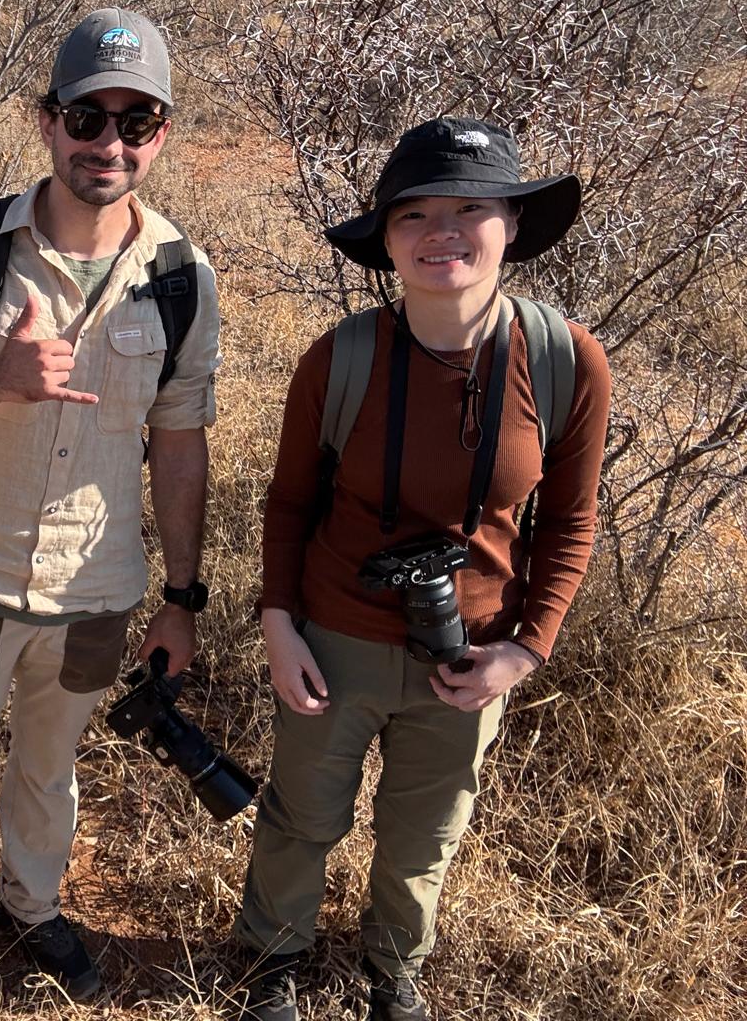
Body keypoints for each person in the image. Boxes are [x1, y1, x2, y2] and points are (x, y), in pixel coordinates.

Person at [0, 7, 222, 1017]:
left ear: (161, 132)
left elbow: (181, 445)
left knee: (50, 769)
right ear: (47, 120)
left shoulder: (182, 280)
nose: (108, 142)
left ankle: (31, 905)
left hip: (97, 586)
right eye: (87, 117)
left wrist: (182, 598)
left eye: (136, 120)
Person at [233, 118, 612, 1020]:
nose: (443, 231)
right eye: (416, 214)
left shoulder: (563, 360)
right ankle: (270, 960)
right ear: (388, 237)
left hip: (472, 650)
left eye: (470, 209)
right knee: (303, 816)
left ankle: (392, 969)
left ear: (512, 224)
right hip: (337, 633)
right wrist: (280, 624)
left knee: (425, 833)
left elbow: (570, 519)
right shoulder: (343, 356)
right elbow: (289, 502)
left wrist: (526, 651)